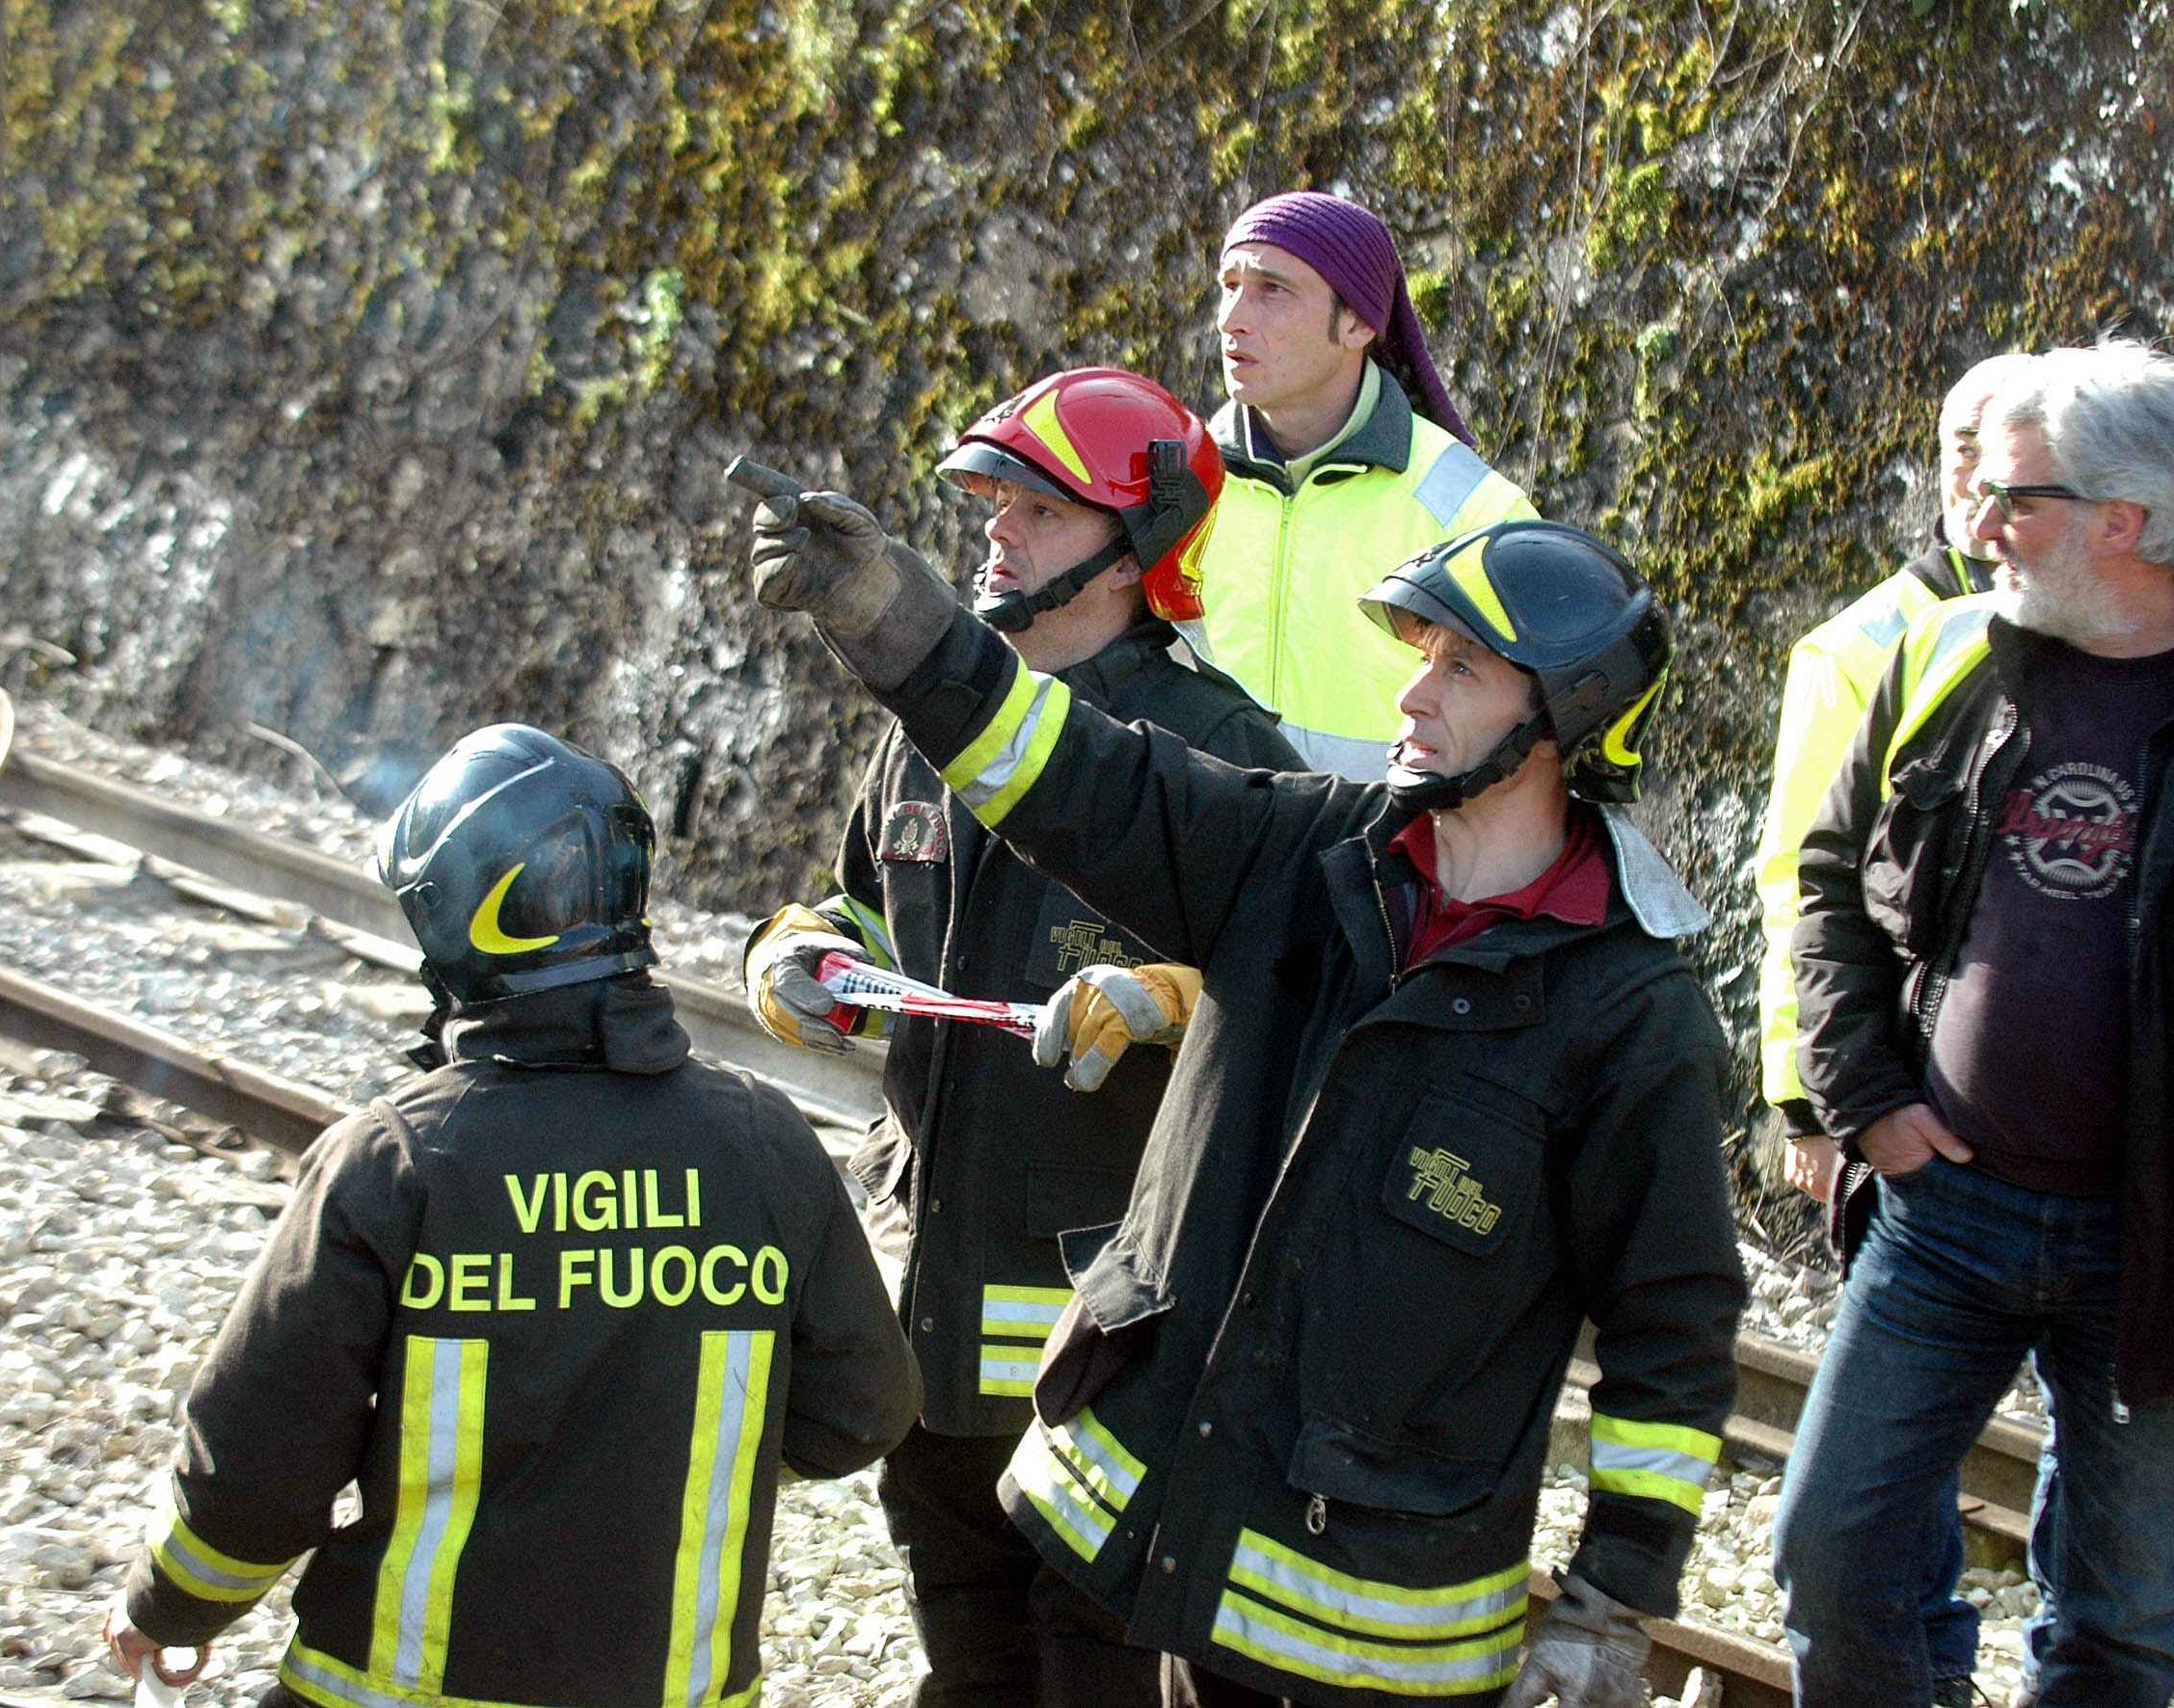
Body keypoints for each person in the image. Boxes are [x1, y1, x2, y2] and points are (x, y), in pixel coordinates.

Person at [743, 480, 1745, 1707]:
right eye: (1422, 655)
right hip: (1174, 1540)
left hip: (1370, 1629)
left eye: (1463, 668)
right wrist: (891, 615)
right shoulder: (1307, 853)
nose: (1413, 694)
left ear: (1565, 714)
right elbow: (1075, 777)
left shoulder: (1630, 1014)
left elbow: (1671, 1330)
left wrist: (1610, 1597)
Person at [101, 724, 919, 1708]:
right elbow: (865, 1407)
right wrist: (658, 1458)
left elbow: (260, 1464)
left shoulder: (396, 1161)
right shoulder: (762, 1141)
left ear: (452, 921)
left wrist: (170, 1607)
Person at [1773, 338, 2174, 1708]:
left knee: (2116, 1628)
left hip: (2163, 1244)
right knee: (1828, 1554)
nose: (1977, 524)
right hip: (1942, 1217)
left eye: (2015, 498)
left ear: (2121, 523)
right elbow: (1828, 881)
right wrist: (1862, 1096)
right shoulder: (1941, 651)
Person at [743, 367, 1303, 1707]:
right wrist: (797, 954)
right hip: (930, 1321)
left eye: (1040, 510)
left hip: (1098, 1348)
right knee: (968, 1663)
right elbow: (864, 905)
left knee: (1093, 1676)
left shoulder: (1215, 744)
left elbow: (1303, 985)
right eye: (992, 501)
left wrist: (1176, 998)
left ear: (1136, 542)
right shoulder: (926, 732)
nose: (997, 530)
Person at [1751, 352, 2034, 1708]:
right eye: (1963, 449)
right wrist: (1806, 1098)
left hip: (2038, 1132)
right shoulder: (1865, 645)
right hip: (1896, 1108)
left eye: (2009, 452)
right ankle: (1926, 1661)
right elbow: (1794, 883)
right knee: (1889, 1462)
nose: (1983, 480)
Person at [1178, 189, 1538, 778]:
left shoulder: (1476, 514)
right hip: (1197, 831)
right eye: (1230, 285)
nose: (1231, 318)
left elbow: (1520, 741)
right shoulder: (1175, 484)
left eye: (1273, 290)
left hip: (1385, 836)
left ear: (1359, 322)